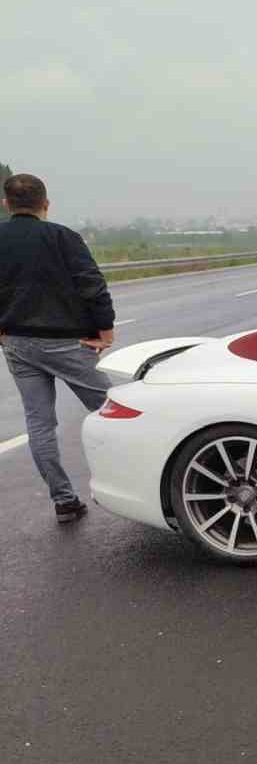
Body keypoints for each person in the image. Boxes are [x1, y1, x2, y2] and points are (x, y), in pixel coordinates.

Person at [0, 173, 116, 523]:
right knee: (115, 411)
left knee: (39, 424)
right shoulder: (63, 237)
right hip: (69, 342)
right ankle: (146, 486)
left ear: (6, 204)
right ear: (45, 204)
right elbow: (92, 285)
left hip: (18, 344)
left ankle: (64, 500)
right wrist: (106, 331)